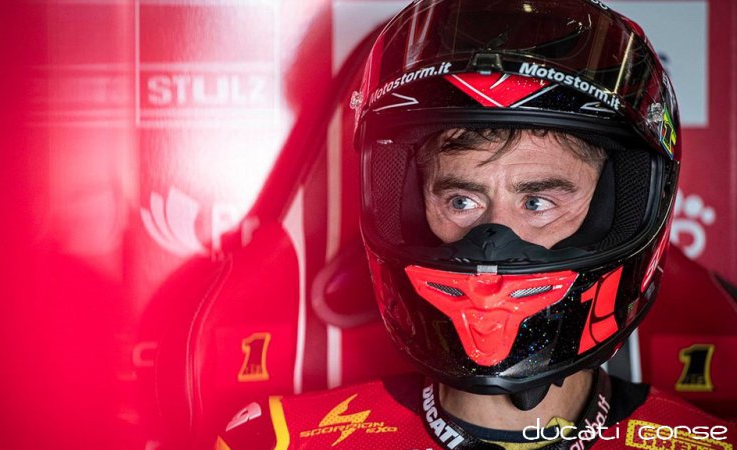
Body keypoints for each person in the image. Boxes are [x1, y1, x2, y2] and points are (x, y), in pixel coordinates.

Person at [215, 1, 735, 448]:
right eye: (462, 200)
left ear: (616, 211)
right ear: (412, 209)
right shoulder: (276, 440)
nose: (493, 243)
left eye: (537, 203)